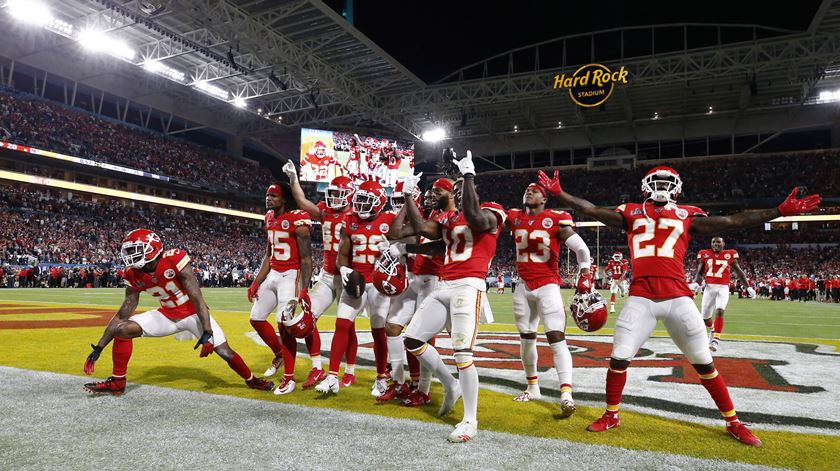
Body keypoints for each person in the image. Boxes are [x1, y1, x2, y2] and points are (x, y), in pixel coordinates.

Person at [543, 166, 820, 447]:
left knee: (704, 362)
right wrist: (559, 193)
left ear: (676, 188)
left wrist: (779, 210)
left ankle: (733, 422)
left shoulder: (687, 214)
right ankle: (612, 415)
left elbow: (733, 221)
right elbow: (590, 209)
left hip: (677, 297)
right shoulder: (630, 212)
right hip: (641, 297)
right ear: (645, 187)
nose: (661, 187)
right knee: (618, 358)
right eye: (657, 182)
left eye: (666, 182)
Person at [82, 229, 274, 395]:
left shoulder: (174, 259)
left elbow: (197, 297)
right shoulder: (132, 273)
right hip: (167, 315)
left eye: (135, 251)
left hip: (193, 314)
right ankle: (117, 382)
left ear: (152, 249)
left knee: (224, 352)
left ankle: (251, 380)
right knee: (122, 329)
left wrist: (207, 332)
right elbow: (123, 314)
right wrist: (99, 348)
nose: (130, 256)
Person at [401, 151, 506, 443]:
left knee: (462, 352)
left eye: (463, 187)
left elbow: (475, 217)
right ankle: (450, 383)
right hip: (444, 284)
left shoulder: (492, 210)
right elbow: (422, 228)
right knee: (411, 339)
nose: (459, 191)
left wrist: (469, 175)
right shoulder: (449, 217)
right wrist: (408, 195)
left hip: (469, 285)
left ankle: (470, 420)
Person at [506, 180, 592, 417]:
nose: (529, 191)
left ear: (544, 199)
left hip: (547, 285)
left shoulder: (555, 217)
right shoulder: (512, 216)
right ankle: (532, 387)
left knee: (556, 337)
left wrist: (585, 272)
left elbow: (582, 249)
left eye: (535, 191)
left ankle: (566, 394)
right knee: (526, 338)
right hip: (522, 285)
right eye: (526, 189)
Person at [315, 179, 395, 396]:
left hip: (378, 284)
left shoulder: (390, 220)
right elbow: (342, 255)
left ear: (379, 203)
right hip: (356, 279)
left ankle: (380, 378)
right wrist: (343, 269)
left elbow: (409, 240)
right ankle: (332, 377)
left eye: (366, 201)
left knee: (378, 331)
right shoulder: (349, 221)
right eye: (358, 200)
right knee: (341, 324)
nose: (360, 206)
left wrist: (395, 249)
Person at [285, 163, 359, 388]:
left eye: (339, 194)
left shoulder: (357, 215)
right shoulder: (325, 212)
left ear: (350, 195)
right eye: (332, 194)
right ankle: (317, 367)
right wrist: (294, 179)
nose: (334, 198)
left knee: (348, 326)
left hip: (348, 276)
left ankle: (350, 370)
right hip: (327, 275)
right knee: (308, 319)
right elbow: (303, 203)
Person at [247, 183, 316, 395]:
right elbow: (268, 254)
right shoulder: (268, 217)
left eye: (274, 196)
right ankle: (279, 355)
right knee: (256, 318)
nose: (269, 199)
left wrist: (304, 289)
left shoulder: (298, 219)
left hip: (290, 274)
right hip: (274, 273)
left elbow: (306, 258)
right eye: (267, 195)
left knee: (284, 324)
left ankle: (289, 378)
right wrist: (257, 281)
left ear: (284, 199)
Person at [692, 237, 754, 352]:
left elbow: (739, 272)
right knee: (705, 317)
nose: (715, 244)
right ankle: (712, 329)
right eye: (713, 242)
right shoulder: (704, 253)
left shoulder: (730, 254)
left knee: (720, 310)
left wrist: (748, 287)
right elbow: (700, 272)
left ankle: (716, 339)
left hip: (723, 288)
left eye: (718, 242)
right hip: (709, 288)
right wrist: (696, 284)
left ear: (723, 244)